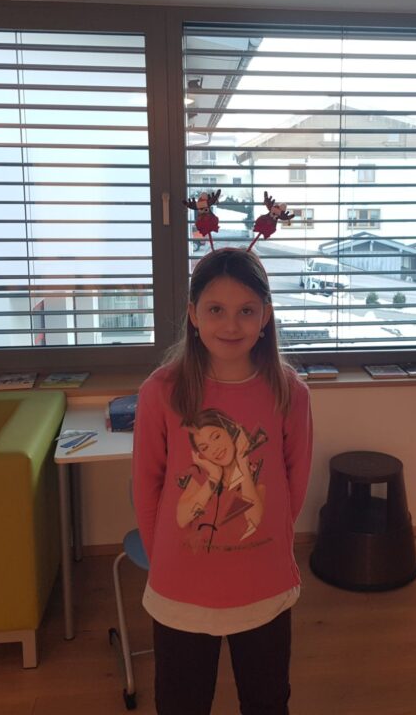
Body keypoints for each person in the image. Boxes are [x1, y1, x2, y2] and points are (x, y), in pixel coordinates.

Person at [132, 246, 313, 715]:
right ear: (193, 315)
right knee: (181, 703)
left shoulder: (290, 392)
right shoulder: (161, 391)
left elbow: (293, 483)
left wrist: (265, 538)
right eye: (216, 310)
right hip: (180, 588)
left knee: (267, 700)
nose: (231, 325)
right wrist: (165, 562)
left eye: (246, 311)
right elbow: (147, 487)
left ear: (265, 316)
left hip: (264, 584)